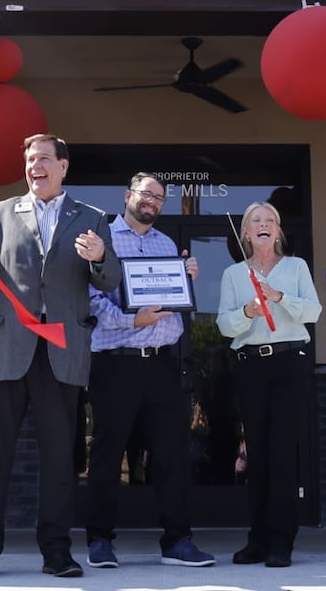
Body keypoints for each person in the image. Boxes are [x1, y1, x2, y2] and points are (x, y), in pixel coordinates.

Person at [0, 133, 122, 580]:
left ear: (64, 167)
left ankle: (57, 552)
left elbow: (109, 281)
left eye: (45, 159)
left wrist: (101, 255)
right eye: (30, 160)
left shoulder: (93, 218)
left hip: (61, 352)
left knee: (60, 459)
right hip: (5, 349)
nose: (36, 166)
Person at [83, 173, 213, 569]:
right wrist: (132, 321)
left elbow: (173, 310)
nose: (152, 202)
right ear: (128, 196)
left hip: (160, 363)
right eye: (145, 194)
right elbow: (91, 301)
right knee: (107, 455)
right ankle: (100, 541)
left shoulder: (166, 244)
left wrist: (185, 283)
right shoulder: (101, 240)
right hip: (115, 362)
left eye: (159, 197)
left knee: (172, 456)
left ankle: (178, 541)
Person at [216, 201, 322, 569]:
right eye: (255, 221)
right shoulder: (233, 275)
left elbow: (313, 312)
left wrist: (279, 298)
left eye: (269, 220)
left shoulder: (296, 268)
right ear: (245, 233)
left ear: (278, 231)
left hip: (289, 363)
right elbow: (224, 326)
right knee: (256, 456)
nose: (262, 225)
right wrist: (247, 313)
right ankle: (257, 540)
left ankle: (281, 542)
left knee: (281, 455)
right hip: (251, 366)